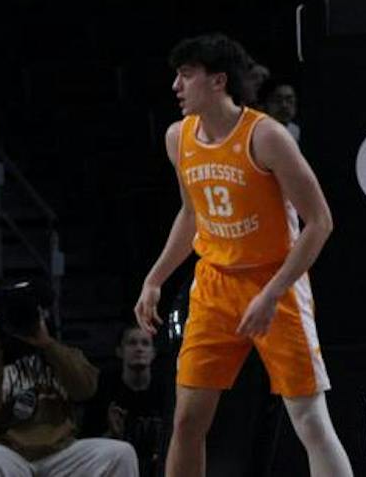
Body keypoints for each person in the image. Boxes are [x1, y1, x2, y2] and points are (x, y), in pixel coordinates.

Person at [133, 33, 351, 477]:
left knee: (309, 419)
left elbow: (320, 223)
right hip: (214, 285)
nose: (176, 86)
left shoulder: (266, 137)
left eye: (186, 75)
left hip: (276, 284)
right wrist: (154, 279)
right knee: (188, 420)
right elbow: (191, 214)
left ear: (217, 81)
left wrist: (271, 294)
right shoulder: (179, 138)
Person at [0, 285, 138, 476]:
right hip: (9, 453)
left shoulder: (61, 353)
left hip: (61, 453)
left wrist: (47, 343)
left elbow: (86, 389)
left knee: (121, 454)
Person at [80, 324, 166, 474]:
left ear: (153, 353)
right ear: (120, 351)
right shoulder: (105, 388)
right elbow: (87, 447)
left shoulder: (165, 389)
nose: (139, 349)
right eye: (132, 343)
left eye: (145, 343)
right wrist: (112, 434)